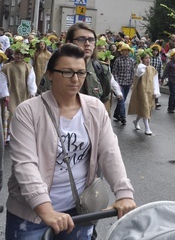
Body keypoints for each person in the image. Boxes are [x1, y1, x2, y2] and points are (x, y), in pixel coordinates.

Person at [5, 43, 136, 239]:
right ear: (50, 74)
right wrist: (45, 209)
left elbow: (109, 152)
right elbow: (25, 164)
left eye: (81, 73)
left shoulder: (95, 108)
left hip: (79, 213)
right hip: (31, 215)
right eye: (67, 73)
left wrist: (124, 193)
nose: (75, 79)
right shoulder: (28, 111)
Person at [3, 43, 37, 144]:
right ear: (14, 54)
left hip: (23, 93)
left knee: (22, 113)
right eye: (17, 54)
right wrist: (4, 93)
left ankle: (21, 133)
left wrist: (32, 91)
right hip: (11, 92)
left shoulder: (28, 67)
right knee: (11, 113)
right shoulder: (6, 67)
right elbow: (3, 81)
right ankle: (8, 134)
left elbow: (31, 81)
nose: (19, 56)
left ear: (25, 56)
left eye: (21, 54)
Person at [128, 50, 160, 135]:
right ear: (142, 59)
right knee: (145, 108)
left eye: (149, 58)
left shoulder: (153, 69)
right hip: (141, 92)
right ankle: (147, 128)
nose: (148, 60)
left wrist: (156, 91)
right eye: (146, 58)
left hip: (150, 92)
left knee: (145, 109)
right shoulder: (140, 67)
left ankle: (136, 121)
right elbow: (139, 73)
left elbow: (155, 81)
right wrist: (141, 63)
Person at [112, 44, 135, 125]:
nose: (126, 52)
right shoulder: (118, 60)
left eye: (127, 50)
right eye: (124, 50)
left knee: (123, 100)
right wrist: (116, 83)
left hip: (128, 83)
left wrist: (132, 81)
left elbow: (132, 72)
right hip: (120, 83)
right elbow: (114, 72)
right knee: (121, 100)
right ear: (121, 51)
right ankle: (123, 117)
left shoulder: (131, 61)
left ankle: (116, 114)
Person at [149, 44, 163, 109]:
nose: (155, 52)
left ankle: (156, 102)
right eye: (154, 51)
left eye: (156, 51)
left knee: (156, 88)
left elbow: (160, 68)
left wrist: (160, 77)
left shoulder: (159, 59)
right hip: (149, 75)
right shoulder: (150, 58)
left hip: (156, 75)